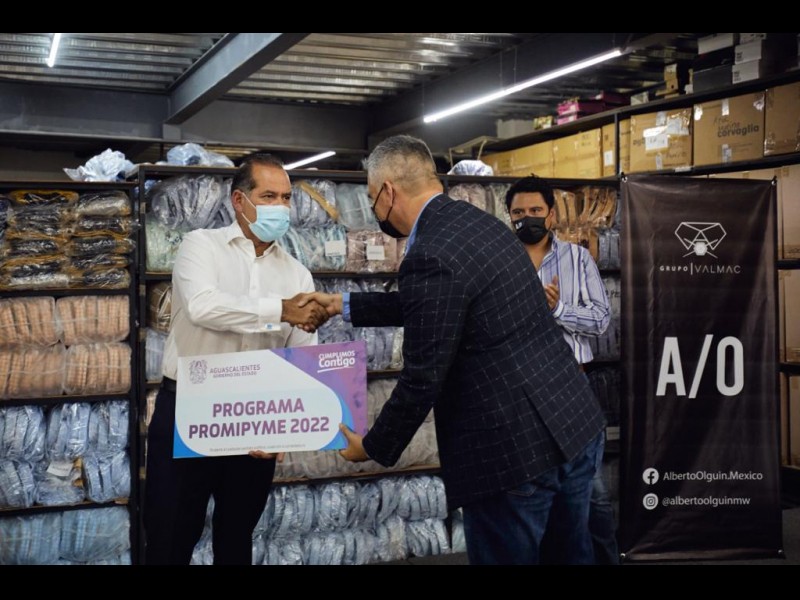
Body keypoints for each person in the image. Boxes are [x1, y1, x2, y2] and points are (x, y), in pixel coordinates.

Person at [300, 135, 605, 565]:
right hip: (572, 422)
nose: (373, 209)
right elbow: (440, 306)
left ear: (388, 192)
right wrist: (342, 304)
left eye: (371, 199)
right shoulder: (481, 223)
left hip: (512, 453)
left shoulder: (429, 253)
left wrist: (371, 446)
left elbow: (422, 376)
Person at [145, 154, 327, 566]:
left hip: (255, 416)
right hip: (190, 407)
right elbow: (204, 307)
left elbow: (302, 354)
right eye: (269, 196)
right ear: (239, 201)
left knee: (237, 536)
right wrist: (280, 310)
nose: (280, 207)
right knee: (170, 534)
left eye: (286, 198)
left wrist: (286, 429)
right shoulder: (201, 247)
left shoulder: (297, 273)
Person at [505, 176, 618, 565]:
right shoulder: (501, 264)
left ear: (551, 215)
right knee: (532, 497)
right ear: (509, 217)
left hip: (572, 390)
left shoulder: (577, 259)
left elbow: (601, 320)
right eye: (519, 212)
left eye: (536, 210)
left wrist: (557, 310)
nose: (528, 218)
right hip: (521, 396)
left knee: (590, 499)